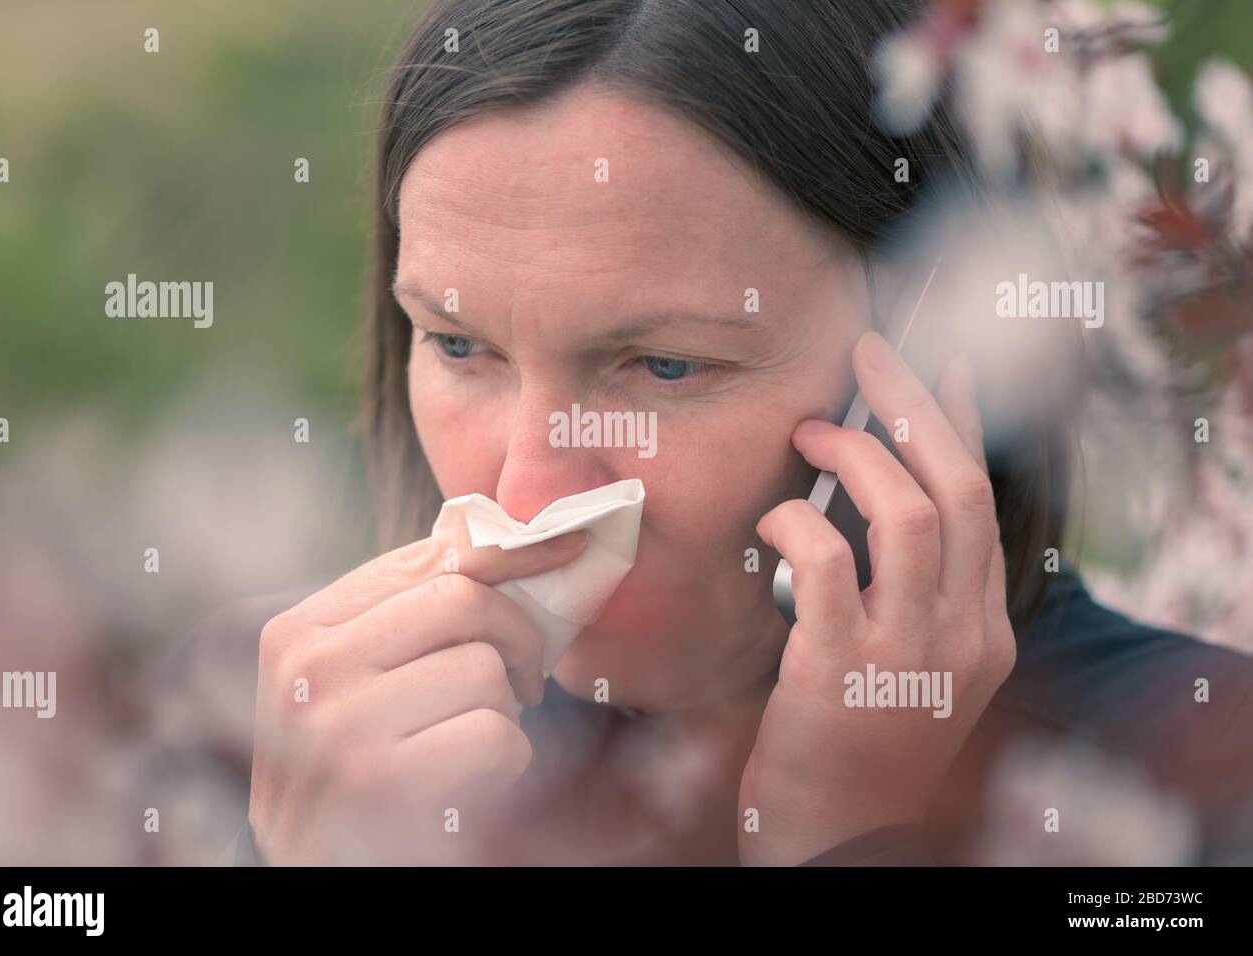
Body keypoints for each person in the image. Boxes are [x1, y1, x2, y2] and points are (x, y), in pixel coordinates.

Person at [201, 0, 1253, 865]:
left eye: (664, 365)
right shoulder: (309, 741)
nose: (525, 493)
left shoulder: (1205, 780)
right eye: (458, 344)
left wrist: (849, 842)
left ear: (935, 348)